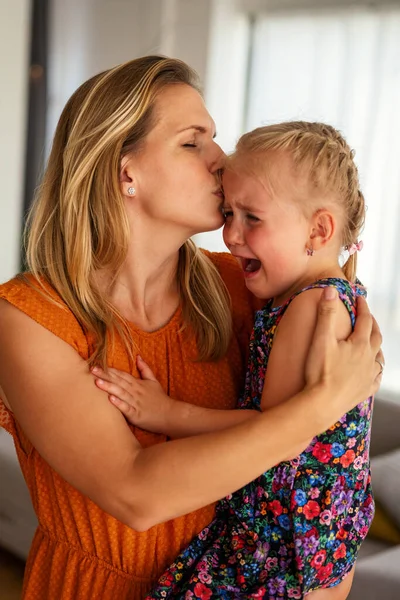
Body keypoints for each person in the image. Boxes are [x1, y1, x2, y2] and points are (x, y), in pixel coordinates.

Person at [0, 56, 382, 600]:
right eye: (192, 142)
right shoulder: (29, 318)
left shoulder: (250, 289)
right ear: (125, 171)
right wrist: (320, 407)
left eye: (215, 139)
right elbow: (136, 492)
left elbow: (325, 488)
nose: (221, 161)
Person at [92, 122, 378, 599]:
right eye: (229, 212)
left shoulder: (314, 307)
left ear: (319, 229)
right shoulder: (317, 297)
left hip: (276, 553)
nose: (230, 234)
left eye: (252, 218)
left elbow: (272, 434)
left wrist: (164, 412)